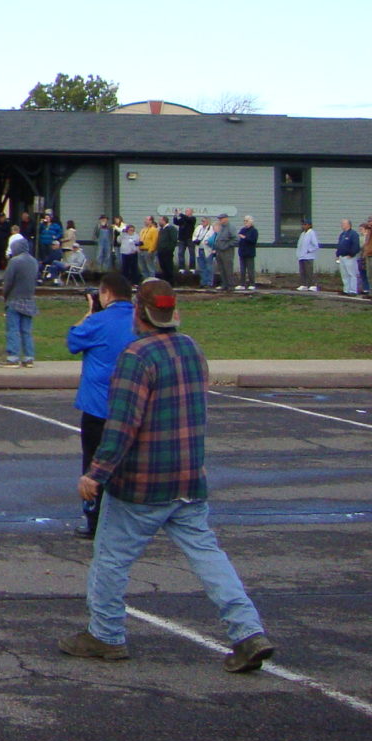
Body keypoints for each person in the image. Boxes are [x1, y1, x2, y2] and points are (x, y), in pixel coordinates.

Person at [58, 279, 275, 674]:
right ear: (173, 313)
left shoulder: (136, 356)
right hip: (188, 478)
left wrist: (96, 473)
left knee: (110, 558)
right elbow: (196, 414)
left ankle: (105, 635)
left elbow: (122, 424)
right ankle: (247, 632)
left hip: (142, 483)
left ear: (139, 314)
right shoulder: (192, 349)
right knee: (208, 556)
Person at [66, 273, 137, 538]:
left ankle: (94, 520)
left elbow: (73, 340)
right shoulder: (141, 320)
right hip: (133, 406)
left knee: (94, 464)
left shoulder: (96, 322)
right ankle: (130, 520)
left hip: (99, 406)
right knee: (130, 464)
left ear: (105, 294)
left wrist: (89, 312)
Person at [0, 233, 39, 367]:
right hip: (29, 300)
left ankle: (13, 358)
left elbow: (8, 282)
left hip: (14, 299)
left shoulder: (15, 261)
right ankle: (29, 358)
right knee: (26, 331)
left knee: (13, 329)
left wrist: (5, 296)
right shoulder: (34, 261)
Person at [209, 214, 238, 293]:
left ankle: (231, 285)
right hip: (219, 251)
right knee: (222, 269)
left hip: (227, 252)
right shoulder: (221, 228)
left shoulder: (230, 227)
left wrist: (226, 245)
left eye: (221, 219)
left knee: (228, 269)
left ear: (226, 219)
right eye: (219, 219)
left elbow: (235, 239)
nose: (220, 220)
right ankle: (224, 284)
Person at [334, 219, 361, 296]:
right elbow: (339, 245)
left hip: (349, 257)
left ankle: (353, 290)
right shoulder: (342, 234)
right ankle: (346, 290)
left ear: (348, 224)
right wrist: (337, 254)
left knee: (351, 274)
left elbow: (356, 246)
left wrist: (352, 254)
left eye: (343, 223)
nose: (342, 225)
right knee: (344, 274)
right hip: (342, 257)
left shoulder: (353, 234)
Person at [235, 216, 259, 291]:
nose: (245, 222)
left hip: (250, 253)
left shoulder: (254, 231)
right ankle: (242, 284)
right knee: (242, 270)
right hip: (242, 252)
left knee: (250, 269)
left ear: (251, 222)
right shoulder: (243, 229)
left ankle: (252, 284)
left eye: (247, 221)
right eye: (244, 221)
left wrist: (244, 238)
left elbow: (252, 241)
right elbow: (238, 238)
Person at [295, 221, 319, 291]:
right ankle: (304, 284)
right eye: (303, 225)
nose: (303, 226)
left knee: (309, 271)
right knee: (303, 271)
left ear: (309, 225)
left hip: (308, 256)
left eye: (305, 224)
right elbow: (299, 244)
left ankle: (312, 285)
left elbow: (315, 245)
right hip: (301, 256)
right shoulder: (302, 234)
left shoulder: (311, 233)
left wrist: (309, 250)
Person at [174, 208, 197, 273]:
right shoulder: (182, 219)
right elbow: (176, 222)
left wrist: (180, 214)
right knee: (180, 253)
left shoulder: (192, 219)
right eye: (186, 211)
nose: (186, 212)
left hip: (190, 238)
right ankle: (181, 268)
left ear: (191, 212)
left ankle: (192, 268)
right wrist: (175, 215)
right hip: (182, 239)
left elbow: (188, 219)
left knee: (191, 253)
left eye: (187, 211)